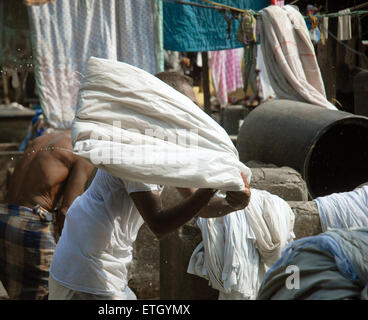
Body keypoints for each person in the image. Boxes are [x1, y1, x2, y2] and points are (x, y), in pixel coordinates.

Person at [48, 72, 251, 300]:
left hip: (102, 260)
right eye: (189, 107)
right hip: (87, 264)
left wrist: (231, 204)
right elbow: (159, 224)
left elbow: (198, 204)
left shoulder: (164, 149)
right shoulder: (135, 150)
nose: (195, 116)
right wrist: (211, 187)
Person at [0, 130, 94, 299]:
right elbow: (67, 210)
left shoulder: (43, 139)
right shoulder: (84, 149)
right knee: (47, 293)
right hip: (32, 225)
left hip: (4, 219)